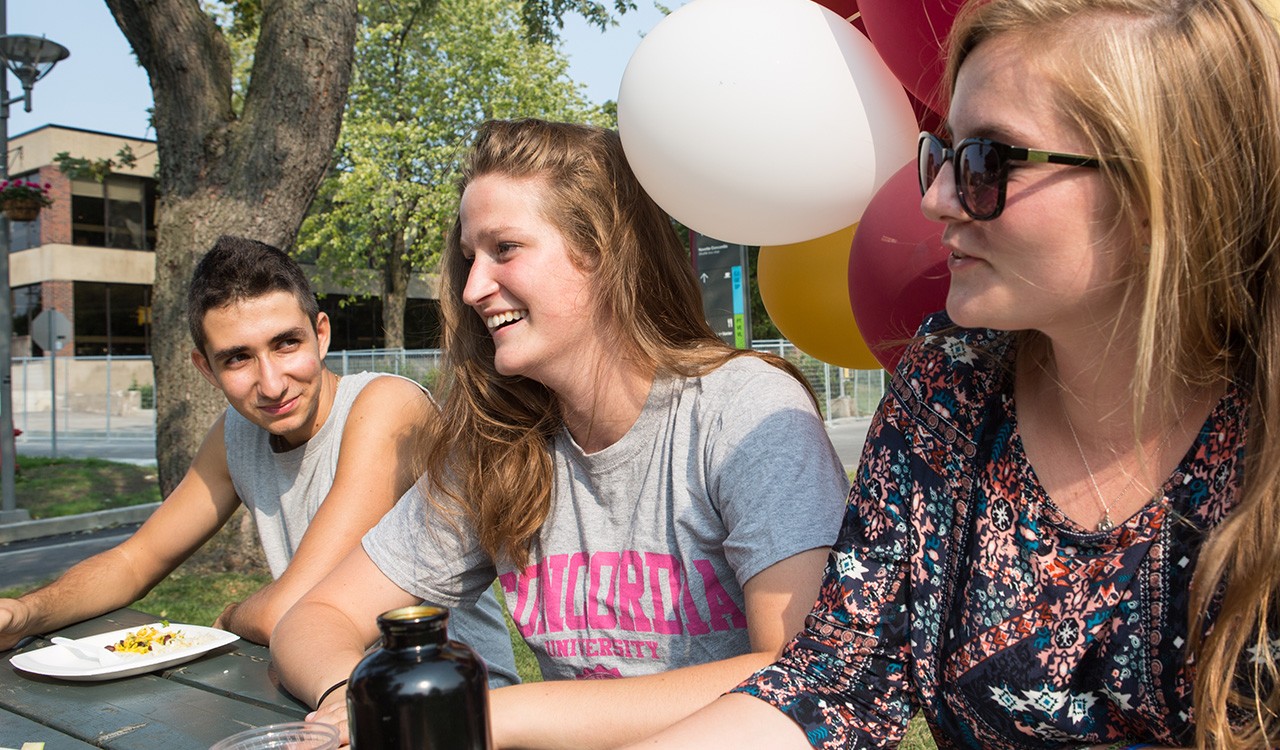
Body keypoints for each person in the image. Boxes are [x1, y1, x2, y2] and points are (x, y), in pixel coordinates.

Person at [627, 0, 1280, 747]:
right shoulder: (950, 383)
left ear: (1161, 187)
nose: (934, 199)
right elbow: (835, 685)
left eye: (987, 163)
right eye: (940, 155)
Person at [271, 118, 850, 747]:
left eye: (505, 249)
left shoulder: (741, 409)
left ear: (601, 251)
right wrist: (349, 701)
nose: (472, 289)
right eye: (470, 258)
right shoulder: (501, 444)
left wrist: (492, 715)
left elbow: (802, 672)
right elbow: (314, 619)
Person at [0, 236, 518, 687]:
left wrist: (226, 618)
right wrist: (24, 612)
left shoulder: (387, 407)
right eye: (238, 358)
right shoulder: (236, 435)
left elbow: (291, 609)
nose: (271, 384)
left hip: (450, 699)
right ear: (206, 367)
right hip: (317, 691)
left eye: (286, 344)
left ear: (321, 334)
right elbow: (135, 561)